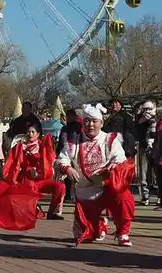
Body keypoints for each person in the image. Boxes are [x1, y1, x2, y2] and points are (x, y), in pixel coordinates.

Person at [56, 104, 135, 246]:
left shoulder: (110, 139)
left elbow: (120, 159)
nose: (90, 125)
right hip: (85, 191)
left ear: (101, 123)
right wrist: (68, 169)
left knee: (124, 197)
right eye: (87, 121)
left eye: (94, 121)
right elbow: (61, 159)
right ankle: (99, 224)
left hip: (107, 187)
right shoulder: (74, 141)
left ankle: (123, 232)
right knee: (86, 235)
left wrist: (112, 167)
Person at [4, 123, 65, 218]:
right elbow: (15, 163)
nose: (30, 134)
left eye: (33, 132)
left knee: (60, 186)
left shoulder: (43, 146)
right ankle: (34, 207)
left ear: (38, 134)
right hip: (27, 180)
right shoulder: (21, 147)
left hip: (41, 179)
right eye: (28, 132)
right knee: (33, 213)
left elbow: (51, 159)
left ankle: (53, 211)